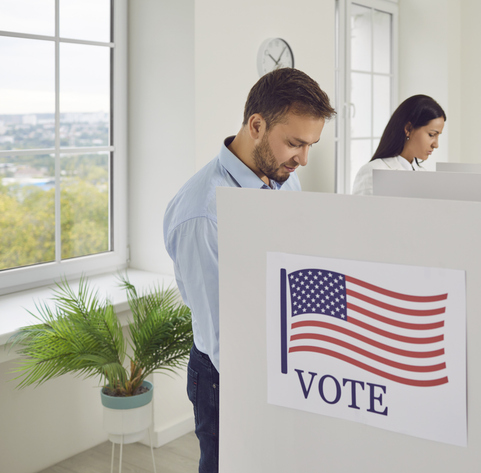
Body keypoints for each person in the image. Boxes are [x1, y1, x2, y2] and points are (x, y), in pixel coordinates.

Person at [163, 68, 335, 473]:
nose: (303, 159)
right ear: (256, 125)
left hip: (277, 358)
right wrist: (270, 390)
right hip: (226, 376)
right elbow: (221, 332)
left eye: (311, 145)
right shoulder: (202, 214)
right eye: (294, 143)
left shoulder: (282, 178)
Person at [351, 94, 446, 195]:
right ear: (408, 129)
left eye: (438, 135)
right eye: (431, 135)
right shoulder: (373, 173)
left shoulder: (425, 175)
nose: (436, 145)